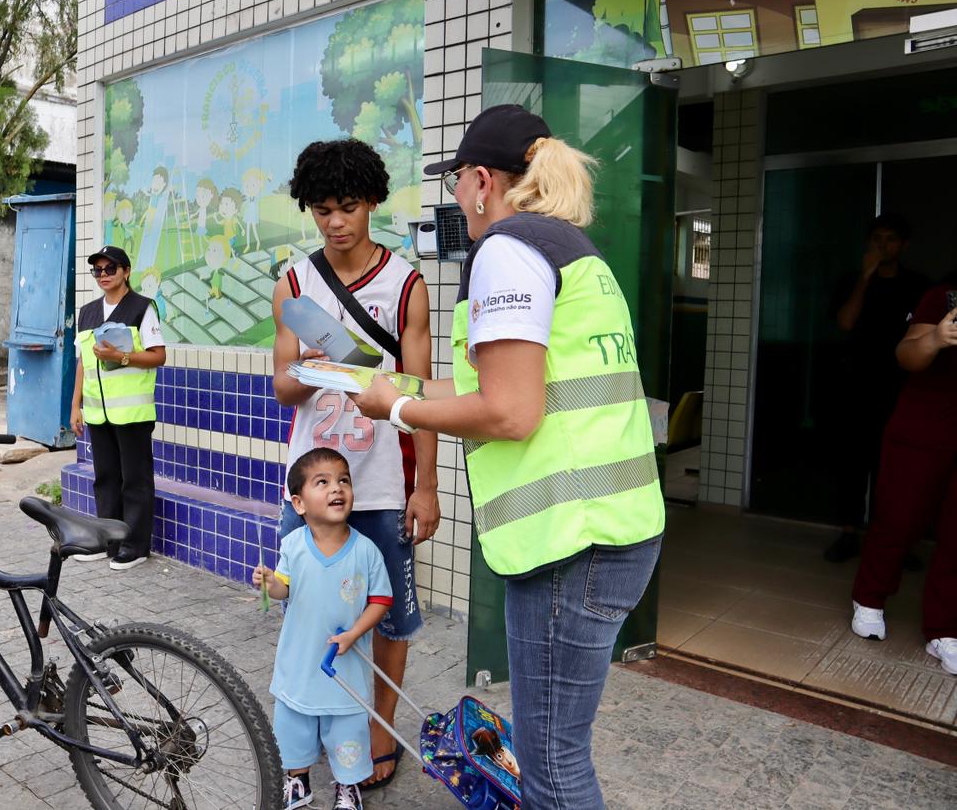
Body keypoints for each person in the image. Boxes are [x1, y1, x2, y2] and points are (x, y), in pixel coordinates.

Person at [352, 105, 664, 809]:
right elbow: (496, 388)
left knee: (552, 765)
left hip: (570, 541)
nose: (456, 194)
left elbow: (509, 413)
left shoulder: (506, 250)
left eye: (457, 180)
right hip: (611, 529)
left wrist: (398, 412)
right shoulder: (572, 249)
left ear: (483, 182)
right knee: (556, 748)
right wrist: (396, 389)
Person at [272, 137, 440, 790]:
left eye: (347, 207)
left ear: (372, 201)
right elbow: (282, 387)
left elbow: (421, 397)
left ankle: (379, 730)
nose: (336, 222)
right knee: (308, 609)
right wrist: (313, 365)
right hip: (312, 483)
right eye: (322, 211)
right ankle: (320, 718)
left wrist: (426, 488)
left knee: (389, 613)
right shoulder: (295, 283)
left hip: (383, 481)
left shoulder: (405, 285)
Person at [253, 449, 393, 810]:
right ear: (299, 503)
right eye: (323, 482)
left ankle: (348, 786)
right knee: (294, 727)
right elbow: (283, 589)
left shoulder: (366, 551)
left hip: (345, 670)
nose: (337, 488)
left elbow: (380, 600)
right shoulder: (293, 545)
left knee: (347, 730)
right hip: (299, 666)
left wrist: (354, 632)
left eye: (343, 480)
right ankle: (297, 781)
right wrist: (269, 584)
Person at [849, 281, 957, 675]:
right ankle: (869, 598)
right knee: (899, 519)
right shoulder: (944, 296)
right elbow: (906, 354)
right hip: (924, 427)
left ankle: (945, 630)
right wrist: (937, 338)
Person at [825, 213, 928, 563]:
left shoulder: (918, 286)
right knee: (852, 464)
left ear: (904, 245)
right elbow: (845, 322)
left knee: (897, 469)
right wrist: (865, 278)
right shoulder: (852, 281)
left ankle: (896, 541)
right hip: (856, 387)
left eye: (891, 239)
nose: (883, 246)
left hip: (902, 390)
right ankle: (848, 533)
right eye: (877, 239)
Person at [70, 246, 166, 570]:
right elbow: (83, 363)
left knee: (135, 480)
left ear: (126, 271)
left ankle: (136, 546)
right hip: (98, 412)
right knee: (105, 478)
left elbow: (158, 355)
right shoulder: (87, 313)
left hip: (132, 413)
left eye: (110, 268)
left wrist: (120, 357)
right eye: (97, 270)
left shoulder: (142, 308)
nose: (103, 275)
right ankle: (107, 541)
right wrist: (75, 406)